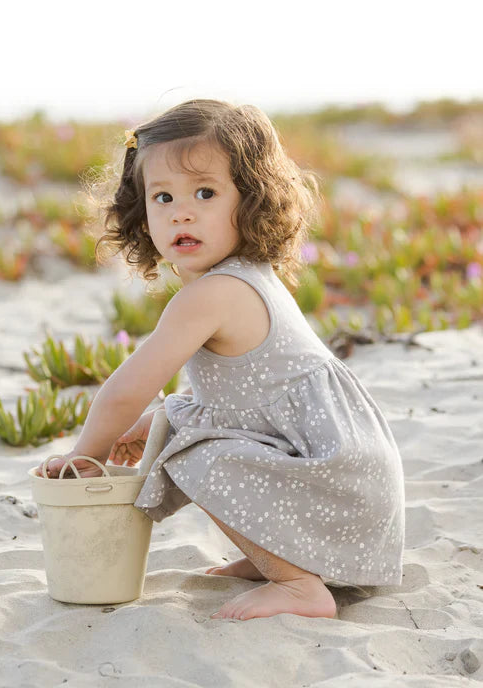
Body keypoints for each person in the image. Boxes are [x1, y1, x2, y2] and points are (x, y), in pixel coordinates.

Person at [36, 99, 405, 621]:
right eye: (162, 197)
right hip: (348, 481)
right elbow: (241, 398)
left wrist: (87, 455)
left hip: (338, 485)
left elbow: (125, 388)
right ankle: (271, 557)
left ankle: (298, 584)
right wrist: (151, 423)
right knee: (182, 425)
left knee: (189, 451)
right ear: (142, 211)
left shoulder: (211, 296)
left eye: (205, 193)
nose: (181, 212)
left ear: (251, 201)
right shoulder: (247, 275)